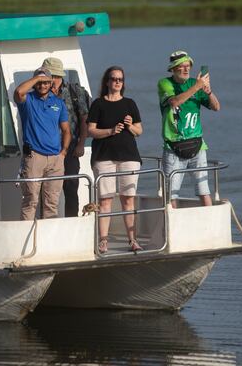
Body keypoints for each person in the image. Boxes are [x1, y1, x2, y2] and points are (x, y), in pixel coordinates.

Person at [87, 66, 144, 253]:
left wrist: (129, 126)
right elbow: (91, 131)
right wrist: (110, 131)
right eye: (113, 79)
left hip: (129, 156)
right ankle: (103, 241)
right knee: (105, 201)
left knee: (128, 199)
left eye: (120, 79)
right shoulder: (98, 104)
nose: (117, 82)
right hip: (104, 157)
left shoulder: (130, 103)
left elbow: (139, 131)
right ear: (107, 81)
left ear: (123, 82)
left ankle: (132, 240)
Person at [158, 50, 221, 208]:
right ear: (173, 69)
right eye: (182, 67)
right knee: (170, 193)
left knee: (203, 190)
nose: (186, 70)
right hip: (173, 147)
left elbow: (216, 107)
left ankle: (210, 224)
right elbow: (174, 102)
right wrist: (198, 86)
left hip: (197, 144)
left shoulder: (195, 83)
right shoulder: (165, 83)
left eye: (188, 66)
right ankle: (172, 228)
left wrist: (208, 91)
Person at [13, 67, 70, 220]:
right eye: (39, 82)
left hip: (55, 159)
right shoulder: (28, 100)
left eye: (46, 82)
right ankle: (27, 240)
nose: (42, 85)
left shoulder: (58, 103)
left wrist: (63, 152)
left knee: (52, 203)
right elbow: (18, 92)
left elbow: (66, 130)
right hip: (34, 157)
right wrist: (38, 78)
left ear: (51, 82)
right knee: (30, 201)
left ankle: (48, 242)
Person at [41, 57, 90, 217]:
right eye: (49, 76)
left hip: (70, 149)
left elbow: (84, 119)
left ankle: (71, 222)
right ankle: (48, 226)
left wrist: (81, 144)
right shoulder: (40, 93)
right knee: (47, 191)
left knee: (71, 187)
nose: (52, 80)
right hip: (46, 149)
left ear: (60, 76)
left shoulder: (74, 92)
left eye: (55, 76)